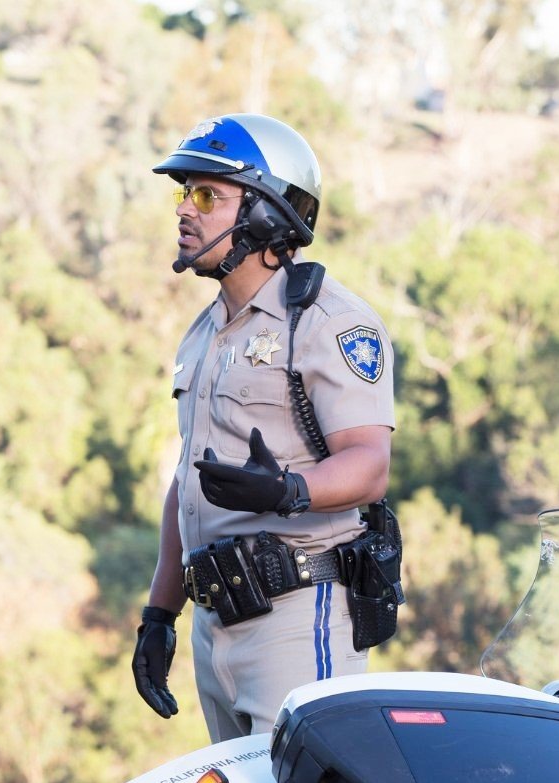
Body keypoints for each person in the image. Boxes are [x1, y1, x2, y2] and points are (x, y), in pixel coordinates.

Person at [132, 113, 397, 743]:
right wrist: (159, 614)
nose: (184, 211)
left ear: (265, 215)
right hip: (215, 622)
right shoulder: (204, 332)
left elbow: (369, 464)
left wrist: (287, 491)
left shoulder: (328, 321)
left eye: (206, 195)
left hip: (299, 614)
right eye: (183, 194)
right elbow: (187, 483)